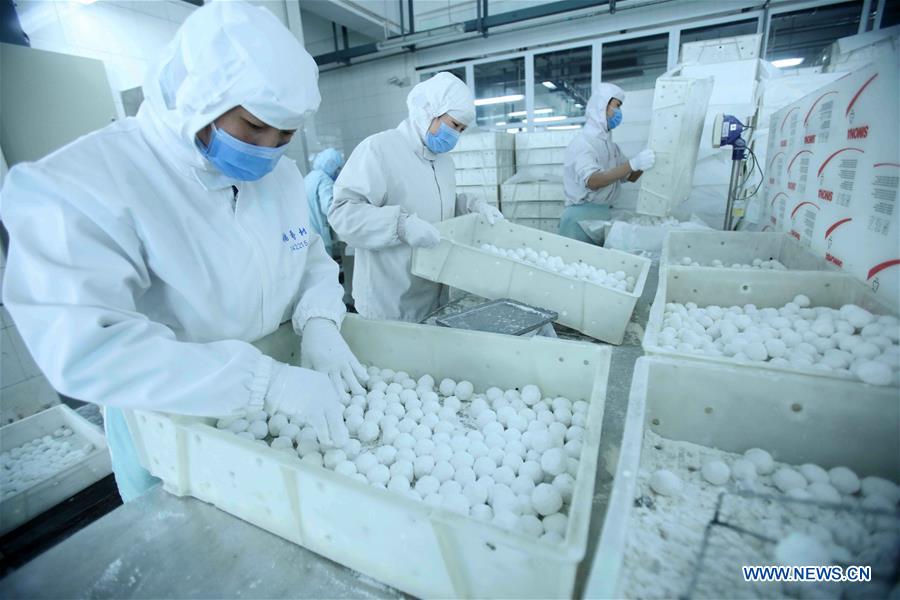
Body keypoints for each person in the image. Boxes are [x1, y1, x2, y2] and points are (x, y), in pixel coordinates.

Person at [0, 1, 366, 502]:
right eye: (255, 127)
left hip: (286, 406)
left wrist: (321, 321)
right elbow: (88, 349)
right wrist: (266, 385)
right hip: (174, 420)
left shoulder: (279, 177)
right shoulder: (86, 184)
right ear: (198, 99)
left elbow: (308, 259)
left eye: (286, 135)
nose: (270, 148)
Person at [328, 72, 504, 322]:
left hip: (433, 294)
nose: (456, 135)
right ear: (430, 110)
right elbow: (343, 214)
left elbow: (439, 206)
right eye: (454, 125)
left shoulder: (444, 162)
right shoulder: (379, 149)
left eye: (462, 130)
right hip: (389, 299)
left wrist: (473, 205)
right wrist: (400, 225)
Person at [560, 83, 656, 243]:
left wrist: (643, 163)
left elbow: (629, 177)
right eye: (616, 106)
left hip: (602, 215)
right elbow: (593, 181)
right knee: (574, 265)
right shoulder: (582, 143)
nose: (619, 112)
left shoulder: (612, 147)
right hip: (579, 219)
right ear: (601, 106)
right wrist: (633, 163)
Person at [304, 148, 344, 257]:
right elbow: (329, 207)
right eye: (338, 168)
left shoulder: (309, 177)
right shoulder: (324, 179)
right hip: (319, 236)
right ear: (331, 165)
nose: (339, 172)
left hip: (307, 234)